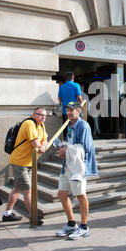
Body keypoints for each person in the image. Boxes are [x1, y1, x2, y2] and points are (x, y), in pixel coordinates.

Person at [55, 101, 98, 240]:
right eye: (67, 110)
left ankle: (84, 227)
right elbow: (72, 144)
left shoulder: (84, 126)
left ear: (79, 111)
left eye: (71, 110)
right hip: (68, 165)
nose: (68, 112)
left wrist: (66, 150)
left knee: (80, 195)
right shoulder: (69, 125)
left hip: (78, 167)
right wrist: (63, 147)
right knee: (62, 193)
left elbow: (85, 148)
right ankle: (72, 224)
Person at [2, 107, 48, 225]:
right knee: (28, 189)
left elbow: (45, 140)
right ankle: (33, 216)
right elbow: (35, 144)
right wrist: (41, 146)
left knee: (18, 188)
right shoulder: (29, 124)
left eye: (45, 116)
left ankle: (7, 214)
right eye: (40, 115)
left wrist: (42, 145)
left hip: (28, 162)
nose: (43, 117)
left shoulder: (41, 125)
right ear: (34, 115)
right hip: (20, 162)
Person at [58, 72, 83, 140]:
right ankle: (77, 140)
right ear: (73, 78)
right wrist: (82, 105)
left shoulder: (62, 86)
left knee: (66, 127)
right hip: (74, 110)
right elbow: (79, 97)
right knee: (77, 126)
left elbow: (59, 98)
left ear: (66, 79)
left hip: (65, 110)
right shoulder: (76, 85)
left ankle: (67, 141)